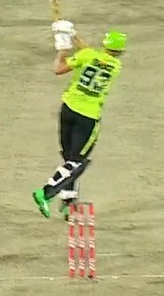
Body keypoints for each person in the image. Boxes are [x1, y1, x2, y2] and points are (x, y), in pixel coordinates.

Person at [33, 23, 127, 220]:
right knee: (78, 162)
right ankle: (46, 192)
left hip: (68, 109)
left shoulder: (87, 56)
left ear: (104, 44)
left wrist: (63, 48)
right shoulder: (116, 66)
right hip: (88, 117)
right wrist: (73, 36)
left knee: (69, 159)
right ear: (121, 51)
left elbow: (59, 68)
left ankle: (68, 202)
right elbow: (94, 56)